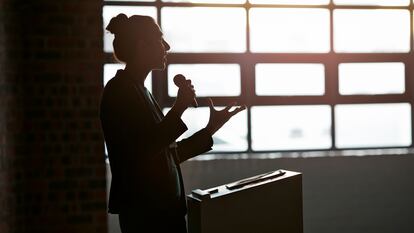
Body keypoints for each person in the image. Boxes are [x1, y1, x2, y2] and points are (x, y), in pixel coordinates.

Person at [100, 14, 245, 233]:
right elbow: (141, 151)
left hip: (164, 212)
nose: (166, 46)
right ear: (142, 45)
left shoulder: (141, 91)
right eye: (160, 39)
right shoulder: (118, 91)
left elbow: (167, 154)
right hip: (146, 216)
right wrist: (179, 108)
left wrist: (210, 129)